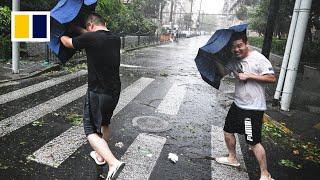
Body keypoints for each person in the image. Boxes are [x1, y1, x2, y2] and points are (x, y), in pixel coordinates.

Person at [60, 13, 125, 180]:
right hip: (114, 91)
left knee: (90, 130)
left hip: (97, 91)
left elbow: (68, 42)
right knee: (104, 123)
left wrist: (61, 34)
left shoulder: (90, 38)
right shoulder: (115, 38)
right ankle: (101, 156)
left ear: (90, 26)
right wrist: (81, 30)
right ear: (105, 23)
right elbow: (92, 35)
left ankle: (113, 163)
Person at [214, 32, 276, 180]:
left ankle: (265, 174)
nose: (237, 49)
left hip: (252, 108)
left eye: (239, 45)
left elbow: (272, 78)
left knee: (253, 141)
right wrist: (216, 60)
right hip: (238, 104)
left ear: (246, 43)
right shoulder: (234, 60)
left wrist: (249, 75)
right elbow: (223, 73)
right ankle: (232, 158)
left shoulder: (258, 59)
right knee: (228, 131)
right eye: (233, 47)